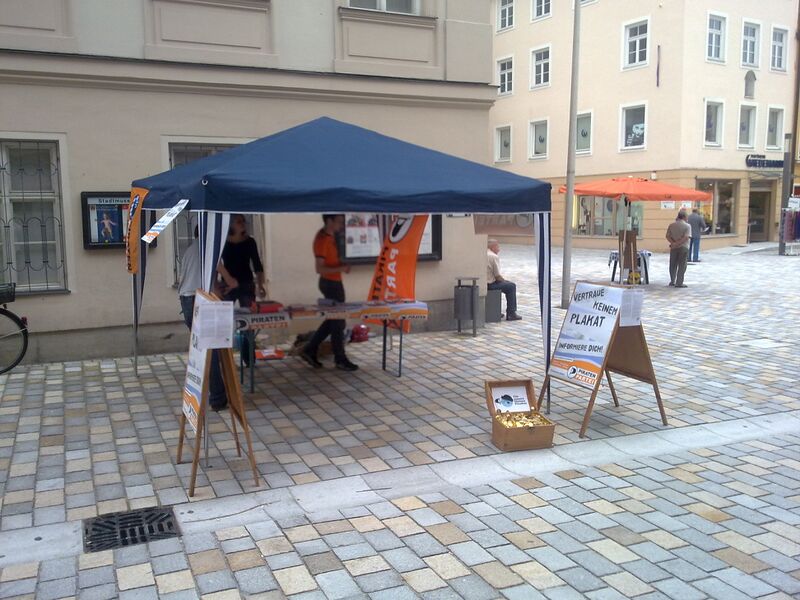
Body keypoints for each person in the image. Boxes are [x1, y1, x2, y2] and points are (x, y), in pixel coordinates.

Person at [178, 226, 229, 411]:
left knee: (201, 348)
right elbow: (218, 284)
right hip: (200, 300)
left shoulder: (190, 249)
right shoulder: (211, 250)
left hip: (186, 299)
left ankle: (201, 391)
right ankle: (218, 397)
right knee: (211, 349)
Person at [300, 214, 358, 371]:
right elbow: (320, 268)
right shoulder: (322, 240)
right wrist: (342, 268)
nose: (341, 225)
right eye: (339, 222)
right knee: (338, 321)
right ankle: (339, 358)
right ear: (329, 221)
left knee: (334, 320)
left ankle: (310, 349)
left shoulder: (331, 236)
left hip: (335, 282)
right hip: (330, 284)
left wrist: (342, 263)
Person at [219, 214, 266, 366]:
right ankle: (225, 359)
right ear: (231, 224)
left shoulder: (250, 241)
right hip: (227, 286)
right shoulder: (222, 242)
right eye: (239, 221)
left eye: (243, 221)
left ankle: (249, 359)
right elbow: (217, 264)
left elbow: (258, 266)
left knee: (248, 323)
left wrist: (260, 285)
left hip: (246, 284)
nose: (243, 224)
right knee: (224, 321)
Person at [486, 239, 521, 321]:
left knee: (507, 284)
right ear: (493, 247)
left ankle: (497, 311)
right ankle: (511, 313)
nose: (499, 249)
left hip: (481, 283)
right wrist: (504, 281)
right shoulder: (493, 256)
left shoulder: (482, 253)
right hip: (490, 284)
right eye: (498, 246)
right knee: (511, 286)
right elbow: (497, 276)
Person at [666, 210, 691, 288]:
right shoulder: (687, 226)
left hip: (674, 248)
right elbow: (686, 237)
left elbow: (667, 236)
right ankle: (679, 282)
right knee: (682, 265)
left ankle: (672, 281)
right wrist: (678, 243)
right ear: (684, 217)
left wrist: (673, 243)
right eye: (687, 216)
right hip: (683, 247)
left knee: (673, 264)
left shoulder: (672, 225)